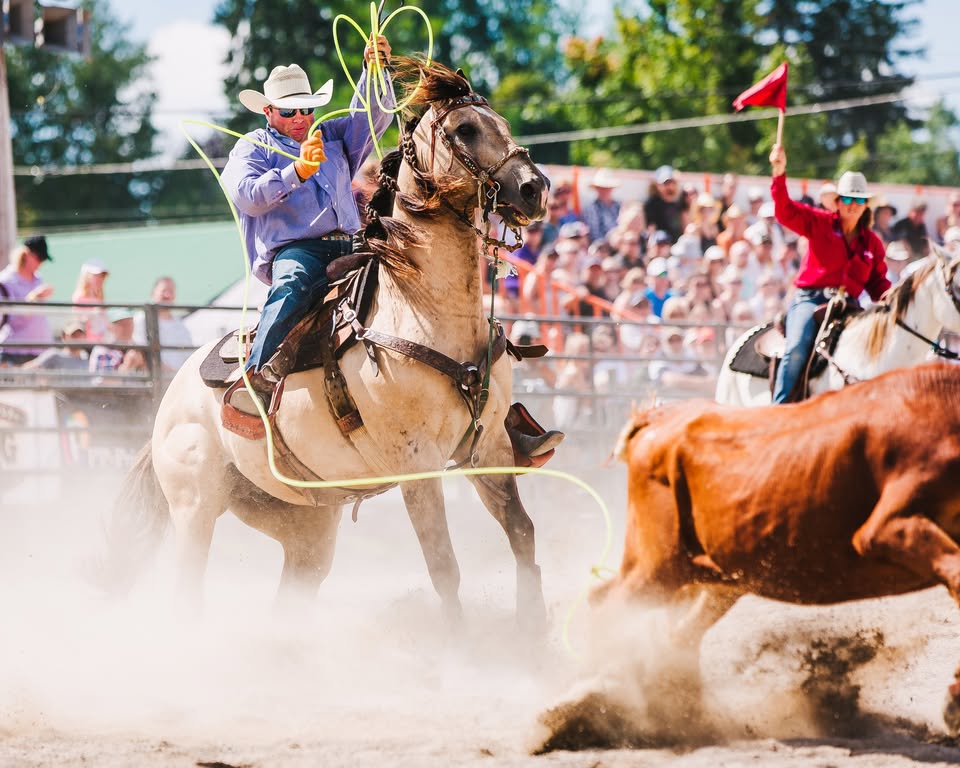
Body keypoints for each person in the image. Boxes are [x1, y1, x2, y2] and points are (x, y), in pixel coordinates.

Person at [220, 36, 396, 406]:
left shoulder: (331, 136)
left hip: (355, 242)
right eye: (288, 112)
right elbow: (247, 197)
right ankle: (255, 382)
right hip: (298, 251)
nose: (300, 119)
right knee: (292, 286)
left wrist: (374, 72)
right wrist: (296, 172)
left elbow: (372, 118)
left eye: (305, 110)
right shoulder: (251, 147)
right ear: (268, 112)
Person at [768, 145, 890, 403]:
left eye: (858, 200)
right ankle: (779, 408)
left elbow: (878, 283)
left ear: (866, 205)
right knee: (798, 347)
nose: (852, 205)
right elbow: (784, 211)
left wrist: (893, 299)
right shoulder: (819, 223)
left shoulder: (872, 243)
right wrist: (779, 173)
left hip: (850, 307)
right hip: (810, 300)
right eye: (847, 199)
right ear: (837, 202)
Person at [0, 235, 54, 365]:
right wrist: (32, 299)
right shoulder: (6, 281)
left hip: (40, 349)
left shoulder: (37, 278)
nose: (40, 263)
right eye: (38, 258)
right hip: (15, 351)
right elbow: (8, 319)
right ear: (26, 255)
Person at [133, 276, 194, 373]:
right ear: (153, 293)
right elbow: (141, 354)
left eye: (171, 291)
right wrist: (171, 377)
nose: (167, 295)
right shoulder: (141, 319)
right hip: (153, 383)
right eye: (164, 290)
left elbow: (189, 358)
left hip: (176, 381)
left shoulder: (181, 326)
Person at [71, 259, 110, 341]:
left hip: (101, 342)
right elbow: (78, 321)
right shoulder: (79, 297)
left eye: (102, 276)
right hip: (88, 344)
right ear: (87, 276)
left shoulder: (99, 297)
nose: (100, 279)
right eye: (96, 276)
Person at [581, 169, 621, 242]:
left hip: (621, 244)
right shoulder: (591, 208)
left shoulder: (619, 206)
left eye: (607, 187)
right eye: (601, 188)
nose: (605, 190)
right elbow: (594, 234)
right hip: (601, 247)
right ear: (597, 189)